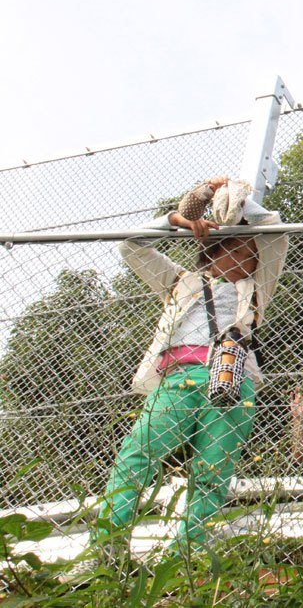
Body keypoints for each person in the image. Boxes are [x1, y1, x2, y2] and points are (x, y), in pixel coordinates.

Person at [97, 177, 289, 557]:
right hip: (179, 378)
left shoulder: (256, 288)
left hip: (233, 380)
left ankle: (186, 554)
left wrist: (237, 203)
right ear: (217, 249)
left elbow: (274, 232)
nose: (252, 259)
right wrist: (179, 219)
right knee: (138, 455)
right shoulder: (180, 282)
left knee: (213, 472)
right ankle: (107, 546)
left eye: (253, 252)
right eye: (243, 249)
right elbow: (131, 245)